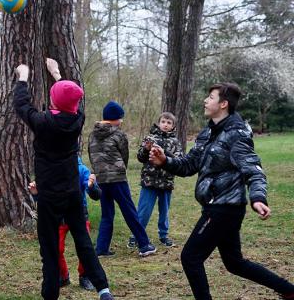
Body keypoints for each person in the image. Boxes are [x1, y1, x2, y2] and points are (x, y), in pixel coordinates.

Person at [149, 83, 294, 299]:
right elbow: (189, 164)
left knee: (191, 257)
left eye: (210, 97)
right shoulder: (208, 131)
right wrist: (165, 161)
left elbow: (253, 169)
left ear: (223, 104)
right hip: (217, 206)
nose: (205, 101)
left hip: (224, 208)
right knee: (234, 263)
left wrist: (258, 197)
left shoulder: (237, 134)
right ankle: (289, 291)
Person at [14, 59, 113, 300]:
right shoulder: (77, 120)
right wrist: (57, 74)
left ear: (52, 101)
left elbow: (21, 105)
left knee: (49, 249)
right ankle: (103, 289)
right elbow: (73, 101)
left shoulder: (43, 122)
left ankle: (51, 294)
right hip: (71, 193)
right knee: (82, 240)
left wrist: (23, 77)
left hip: (48, 196)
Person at [88, 100, 156, 257]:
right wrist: (120, 170)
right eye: (120, 117)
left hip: (102, 179)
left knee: (107, 214)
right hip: (117, 180)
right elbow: (124, 156)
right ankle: (144, 245)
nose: (122, 121)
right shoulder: (119, 134)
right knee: (129, 211)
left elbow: (92, 156)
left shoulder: (92, 135)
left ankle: (101, 248)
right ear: (114, 118)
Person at [28, 157, 102, 292]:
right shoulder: (49, 171)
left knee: (84, 248)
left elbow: (96, 195)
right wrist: (36, 194)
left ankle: (85, 276)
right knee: (56, 248)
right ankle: (62, 276)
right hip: (58, 217)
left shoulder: (80, 169)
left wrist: (92, 186)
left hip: (79, 215)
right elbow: (46, 197)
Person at [128, 112, 183, 249]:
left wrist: (165, 153)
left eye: (169, 123)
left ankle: (164, 235)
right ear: (159, 123)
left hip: (166, 181)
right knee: (143, 210)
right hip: (149, 181)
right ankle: (136, 235)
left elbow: (179, 161)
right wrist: (146, 149)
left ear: (173, 126)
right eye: (163, 121)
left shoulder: (175, 142)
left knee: (164, 211)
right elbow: (140, 158)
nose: (165, 124)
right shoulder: (150, 138)